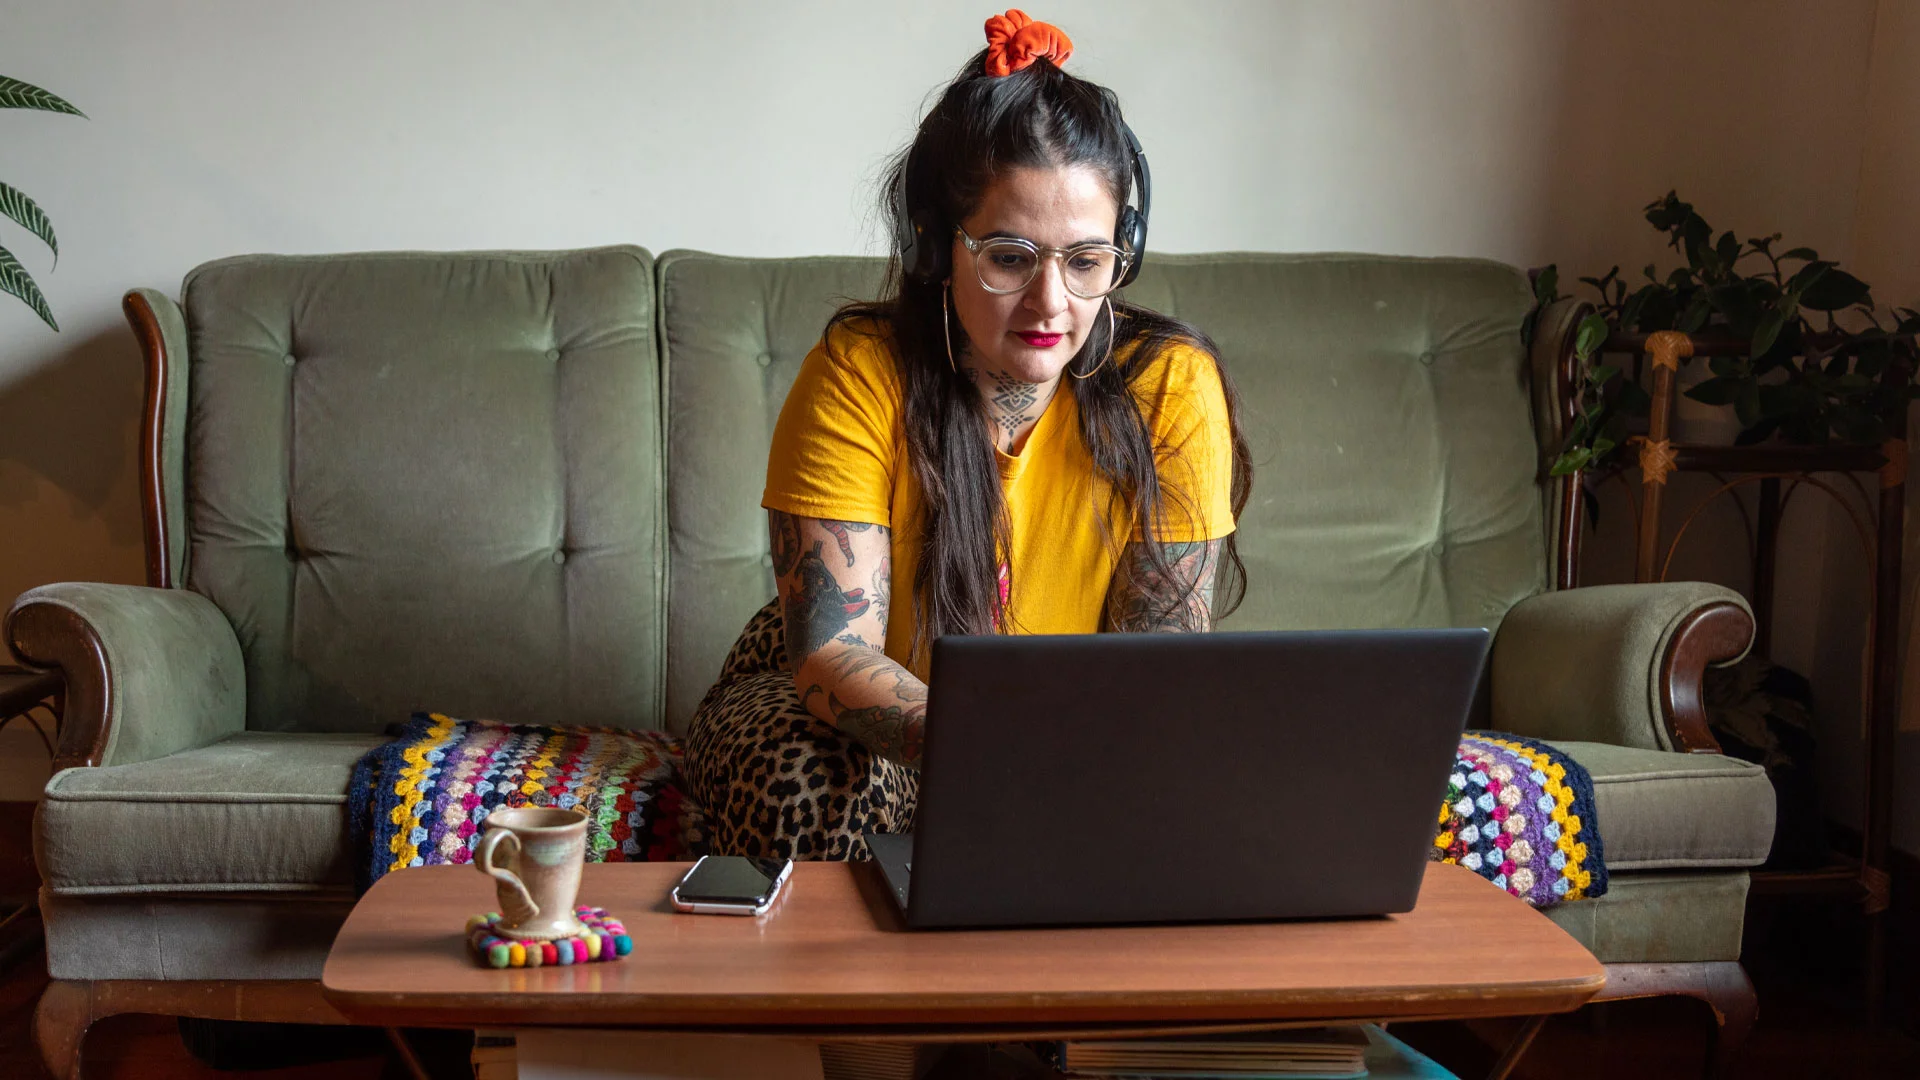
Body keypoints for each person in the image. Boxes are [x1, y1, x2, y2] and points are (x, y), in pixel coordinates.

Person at [684, 9, 1252, 860]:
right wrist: (999, 747)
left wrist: (1067, 758)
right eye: (1010, 257)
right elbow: (833, 653)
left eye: (1086, 261)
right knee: (806, 775)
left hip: (1061, 730)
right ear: (935, 248)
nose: (1052, 303)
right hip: (850, 700)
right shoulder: (858, 370)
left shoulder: (1170, 385)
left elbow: (1159, 657)